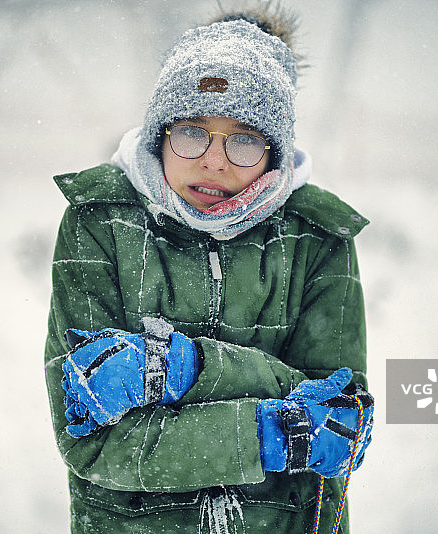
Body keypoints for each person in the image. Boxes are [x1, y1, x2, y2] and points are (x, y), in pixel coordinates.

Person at [44, 6, 374, 533]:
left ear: (274, 153)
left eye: (243, 139)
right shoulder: (100, 224)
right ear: (160, 134)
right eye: (192, 132)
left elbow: (338, 429)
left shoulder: (319, 239)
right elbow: (92, 442)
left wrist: (183, 369)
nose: (213, 161)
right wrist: (273, 430)